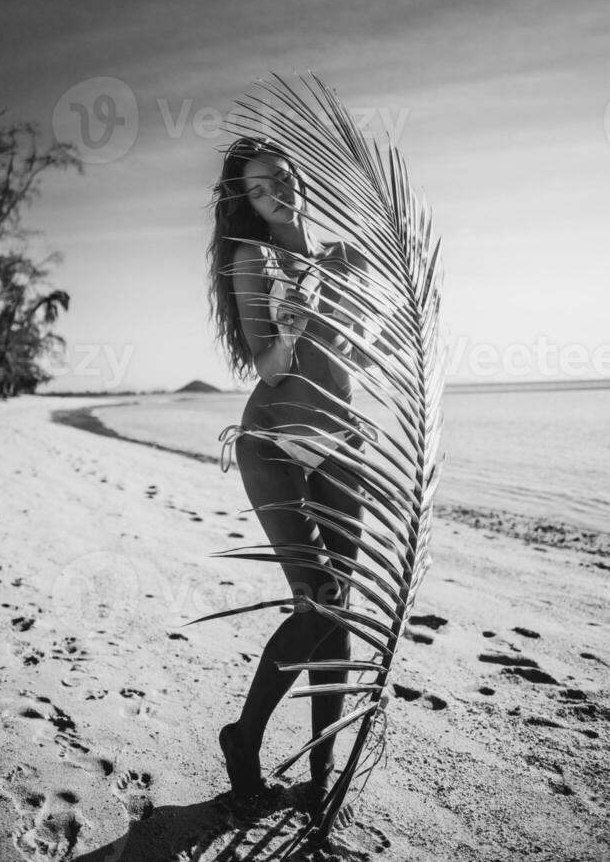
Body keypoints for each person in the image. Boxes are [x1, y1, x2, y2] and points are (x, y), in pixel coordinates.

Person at [206, 135, 374, 808]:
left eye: (282, 175)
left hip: (341, 439)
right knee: (320, 599)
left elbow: (369, 341)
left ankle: (318, 773)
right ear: (246, 201)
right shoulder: (253, 257)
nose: (276, 189)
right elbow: (269, 366)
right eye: (259, 186)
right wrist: (295, 324)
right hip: (273, 442)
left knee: (341, 614)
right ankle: (244, 739)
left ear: (297, 175)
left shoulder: (337, 255)